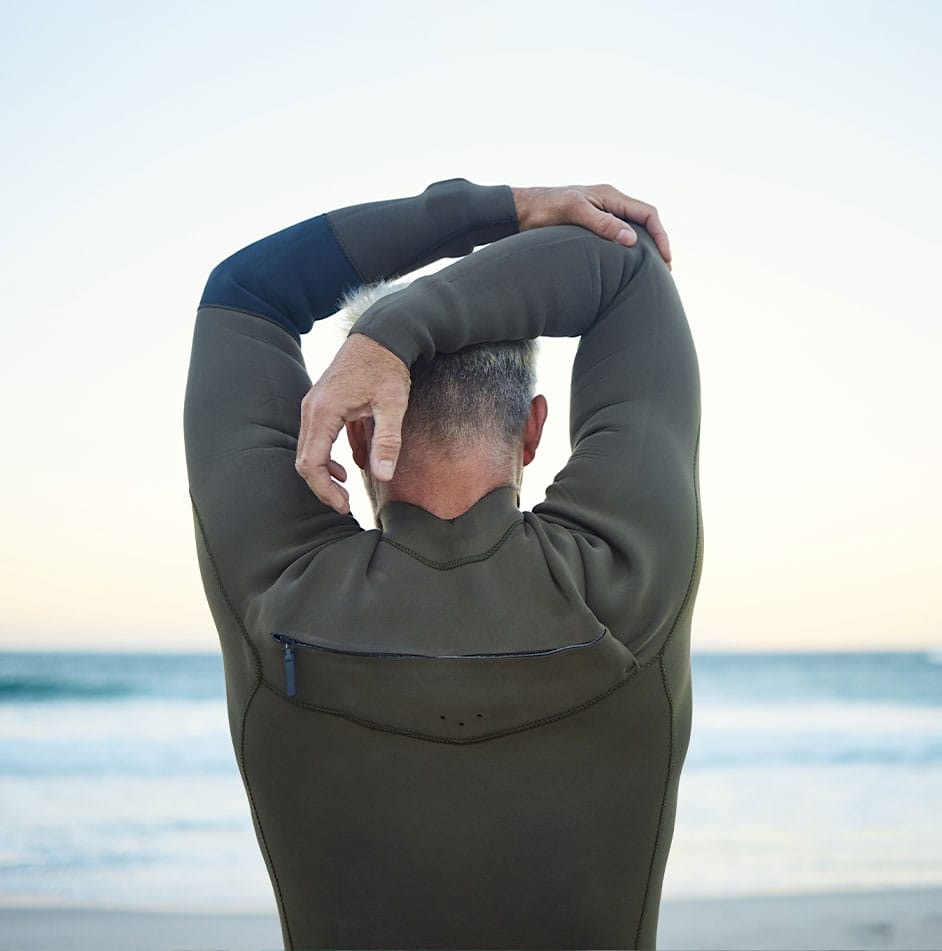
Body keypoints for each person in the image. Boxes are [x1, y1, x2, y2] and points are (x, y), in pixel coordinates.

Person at [184, 179, 701, 950]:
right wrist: (397, 332)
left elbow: (247, 290)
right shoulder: (624, 576)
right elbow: (626, 269)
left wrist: (501, 211)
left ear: (358, 436)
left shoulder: (278, 591)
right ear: (532, 430)